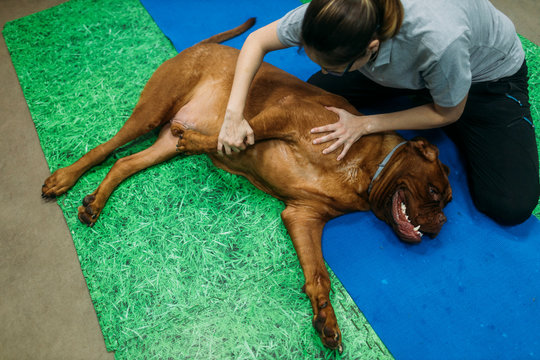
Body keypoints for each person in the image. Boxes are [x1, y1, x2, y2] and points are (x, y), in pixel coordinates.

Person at [217, 0, 539, 225]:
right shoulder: (336, 12)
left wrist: (364, 124)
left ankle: (435, 102)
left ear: (369, 49)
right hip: (413, 70)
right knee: (318, 95)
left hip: (488, 80)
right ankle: (418, 93)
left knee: (509, 205)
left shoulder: (438, 40)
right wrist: (233, 113)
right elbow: (257, 41)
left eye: (333, 66)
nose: (325, 71)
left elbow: (449, 112)